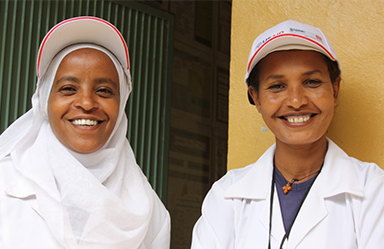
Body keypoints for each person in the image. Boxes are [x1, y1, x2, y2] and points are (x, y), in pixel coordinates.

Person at [191, 20, 384, 248]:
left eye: (311, 82)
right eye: (277, 86)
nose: (296, 101)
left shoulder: (373, 190)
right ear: (257, 99)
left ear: (334, 90)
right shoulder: (227, 196)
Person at [0, 16, 170, 249]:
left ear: (122, 105)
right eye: (68, 89)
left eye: (104, 90)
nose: (87, 103)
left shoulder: (149, 210)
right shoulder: (4, 182)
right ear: (44, 100)